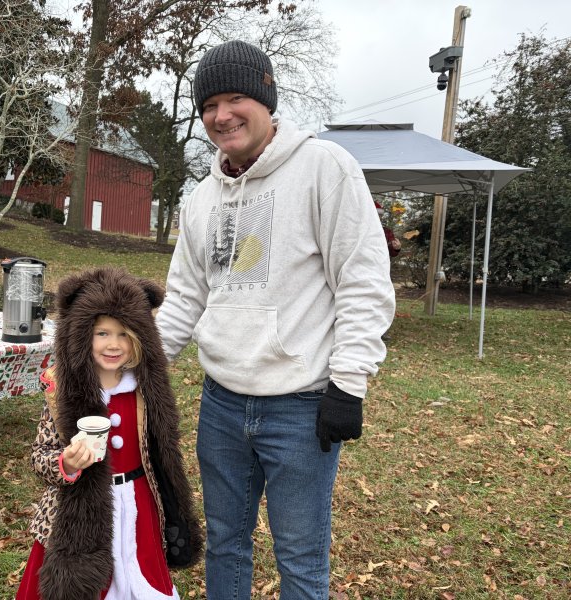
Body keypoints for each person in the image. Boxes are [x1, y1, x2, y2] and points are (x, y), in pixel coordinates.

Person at [155, 41, 396, 599]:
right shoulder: (201, 199)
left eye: (237, 97)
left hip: (301, 407)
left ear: (266, 99)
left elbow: (362, 281)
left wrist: (349, 382)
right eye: (210, 104)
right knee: (225, 541)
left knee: (300, 554)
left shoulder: (325, 169)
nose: (222, 115)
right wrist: (140, 372)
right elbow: (186, 296)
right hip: (220, 406)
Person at [17, 267, 202, 599]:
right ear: (80, 334)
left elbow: (162, 451)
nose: (113, 345)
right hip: (79, 515)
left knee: (139, 576)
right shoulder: (60, 393)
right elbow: (39, 457)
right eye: (102, 333)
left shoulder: (145, 393)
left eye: (123, 334)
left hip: (138, 504)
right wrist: (66, 463)